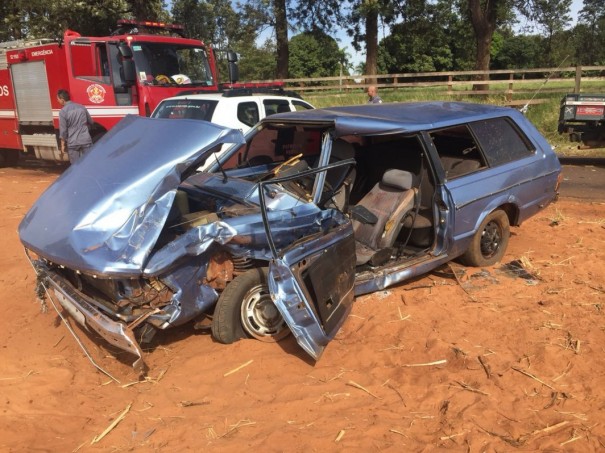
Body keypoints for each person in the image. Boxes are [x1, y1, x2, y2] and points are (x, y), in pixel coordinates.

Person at [57, 89, 94, 164]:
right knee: (90, 163)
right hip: (85, 140)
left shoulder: (63, 112)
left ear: (62, 100)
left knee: (75, 167)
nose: (57, 101)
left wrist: (62, 145)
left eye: (58, 99)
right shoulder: (81, 107)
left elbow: (63, 130)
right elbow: (91, 122)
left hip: (73, 143)